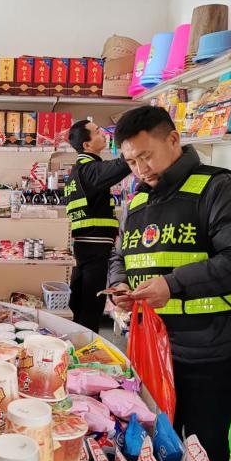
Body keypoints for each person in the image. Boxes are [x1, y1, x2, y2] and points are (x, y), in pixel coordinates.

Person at [108, 106, 231, 461]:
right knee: (157, 454)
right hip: (150, 353)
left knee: (206, 458)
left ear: (173, 139)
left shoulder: (218, 187)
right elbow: (120, 254)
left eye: (146, 156)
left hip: (205, 354)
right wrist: (119, 283)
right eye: (131, 162)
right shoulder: (139, 199)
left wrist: (173, 285)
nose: (140, 169)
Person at [64, 120, 130, 333]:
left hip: (84, 245)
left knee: (80, 300)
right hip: (95, 246)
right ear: (87, 145)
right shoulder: (90, 170)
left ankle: (77, 341)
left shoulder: (77, 172)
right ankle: (88, 346)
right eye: (97, 132)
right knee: (92, 304)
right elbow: (122, 165)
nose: (103, 134)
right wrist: (135, 145)